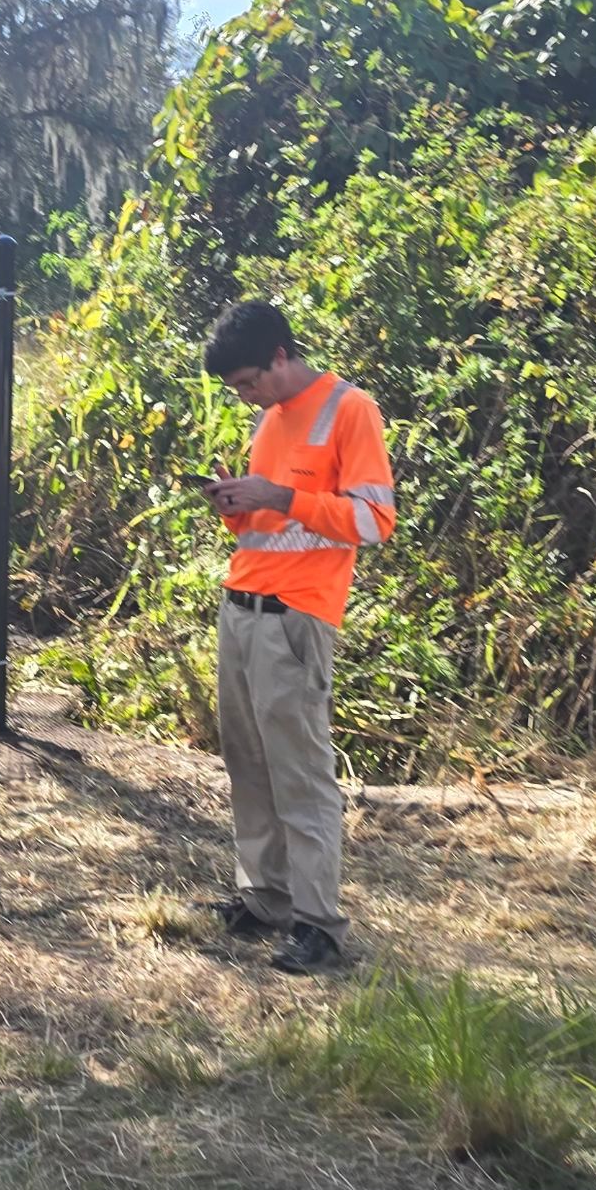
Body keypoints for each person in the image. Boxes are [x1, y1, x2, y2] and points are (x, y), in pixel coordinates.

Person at [198, 299, 396, 972]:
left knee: (300, 774)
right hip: (242, 607)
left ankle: (319, 925)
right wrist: (236, 505)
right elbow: (268, 529)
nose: (246, 395)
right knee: (248, 763)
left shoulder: (350, 409)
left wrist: (278, 497)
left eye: (249, 381)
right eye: (238, 389)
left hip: (297, 619)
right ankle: (265, 899)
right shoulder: (269, 419)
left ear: (281, 356)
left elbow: (372, 521)